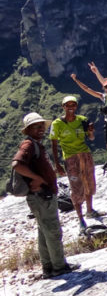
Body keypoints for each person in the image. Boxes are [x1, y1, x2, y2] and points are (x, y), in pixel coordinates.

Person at [13, 112, 80, 279]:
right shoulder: (29, 145)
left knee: (44, 231)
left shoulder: (34, 144)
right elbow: (17, 164)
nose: (41, 129)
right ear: (28, 129)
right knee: (53, 231)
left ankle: (48, 267)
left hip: (41, 196)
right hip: (42, 196)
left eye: (42, 126)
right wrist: (38, 178)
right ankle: (59, 266)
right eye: (36, 126)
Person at [50, 96, 103, 230]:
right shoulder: (57, 124)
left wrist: (90, 131)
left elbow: (91, 138)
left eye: (73, 105)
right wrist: (57, 164)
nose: (71, 107)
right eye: (68, 105)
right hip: (70, 158)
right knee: (76, 187)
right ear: (63, 107)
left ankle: (90, 210)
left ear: (76, 106)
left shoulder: (82, 120)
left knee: (89, 183)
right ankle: (80, 219)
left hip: (85, 155)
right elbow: (54, 144)